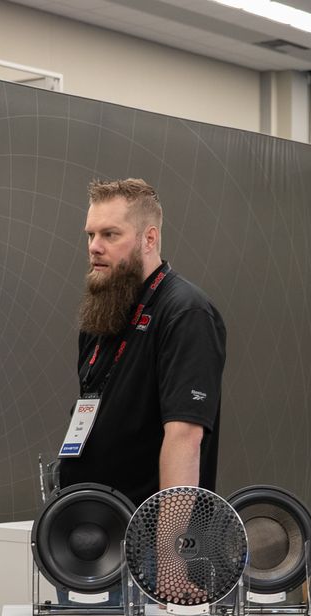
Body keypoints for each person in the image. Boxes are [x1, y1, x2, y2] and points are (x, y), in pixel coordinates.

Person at [56, 178, 226, 506]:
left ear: (149, 238)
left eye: (110, 234)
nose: (94, 246)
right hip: (91, 529)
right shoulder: (103, 309)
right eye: (90, 235)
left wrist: (168, 550)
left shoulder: (185, 311)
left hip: (144, 537)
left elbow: (185, 439)